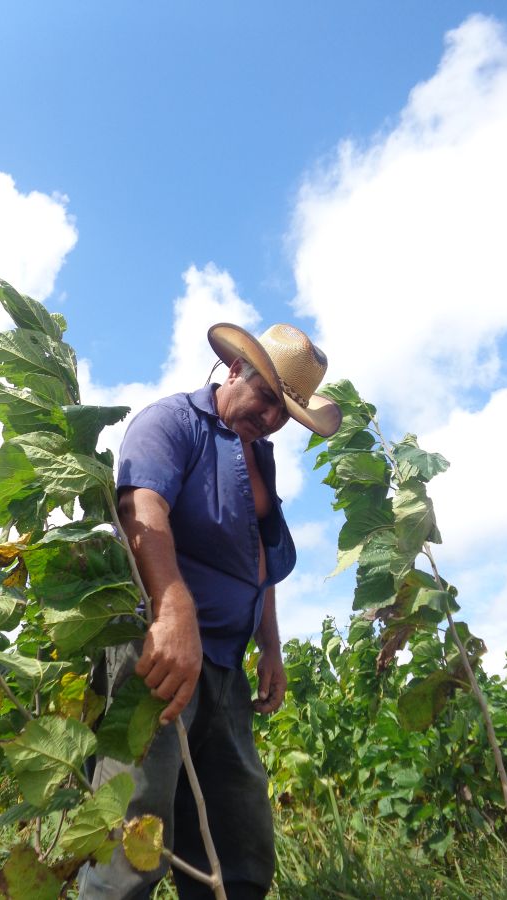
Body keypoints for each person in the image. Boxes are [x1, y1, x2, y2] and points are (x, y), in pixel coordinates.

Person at [78, 322, 341, 899]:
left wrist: (270, 648)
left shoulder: (260, 463)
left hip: (226, 666)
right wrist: (173, 612)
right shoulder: (173, 422)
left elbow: (261, 564)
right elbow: (140, 506)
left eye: (285, 414)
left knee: (238, 834)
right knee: (133, 832)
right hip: (160, 655)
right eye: (267, 399)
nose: (272, 419)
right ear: (233, 370)